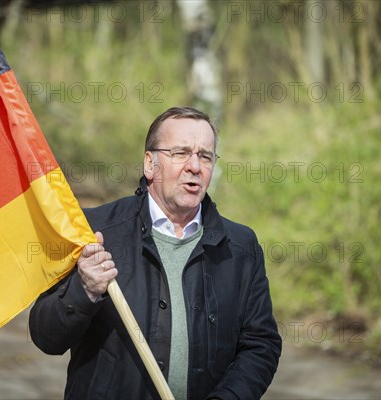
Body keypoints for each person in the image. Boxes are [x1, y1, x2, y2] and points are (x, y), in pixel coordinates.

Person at [29, 107, 281, 400]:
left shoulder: (239, 246)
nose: (194, 166)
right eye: (180, 153)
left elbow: (260, 345)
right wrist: (83, 291)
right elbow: (46, 336)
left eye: (206, 156)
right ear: (150, 164)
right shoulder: (93, 232)